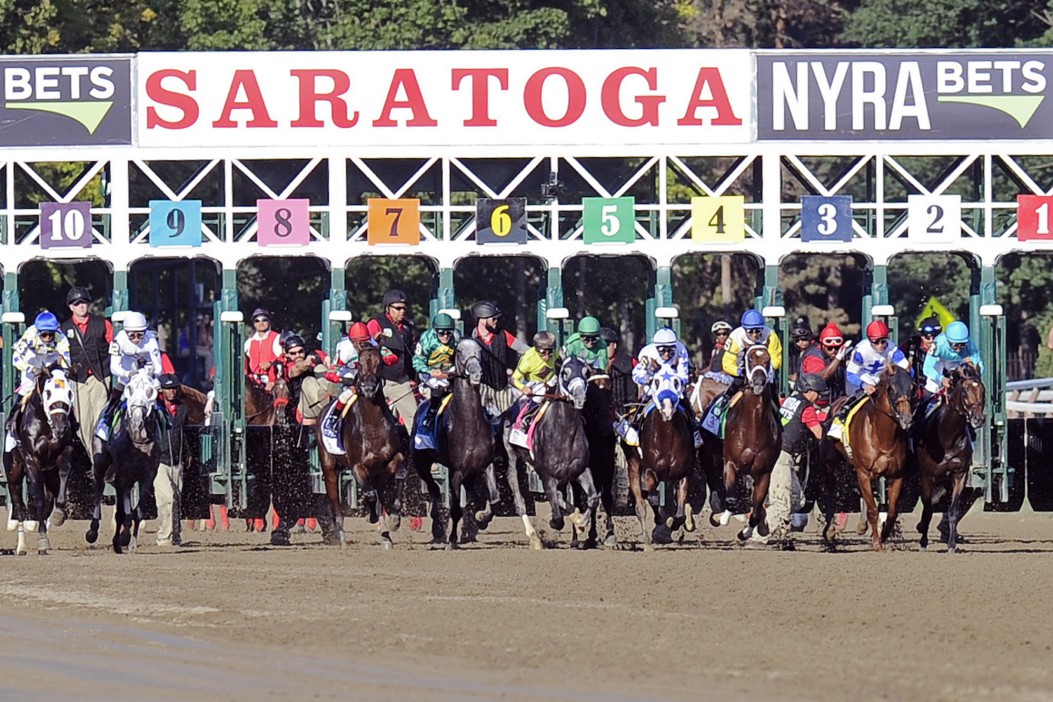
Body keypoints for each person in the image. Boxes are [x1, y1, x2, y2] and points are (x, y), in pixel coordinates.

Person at [767, 373, 829, 547]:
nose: (818, 396)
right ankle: (758, 535)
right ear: (809, 391)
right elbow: (819, 434)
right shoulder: (807, 408)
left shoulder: (790, 400)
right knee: (782, 504)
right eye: (817, 392)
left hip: (778, 453)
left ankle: (781, 534)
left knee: (797, 499)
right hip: (783, 456)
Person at [829, 319, 909, 440]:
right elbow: (851, 374)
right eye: (876, 342)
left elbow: (906, 366)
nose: (880, 345)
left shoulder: (892, 348)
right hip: (859, 379)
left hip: (879, 380)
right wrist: (864, 385)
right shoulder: (861, 351)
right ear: (870, 340)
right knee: (856, 399)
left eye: (883, 341)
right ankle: (838, 422)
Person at [6, 311, 72, 452]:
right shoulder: (30, 336)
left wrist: (64, 372)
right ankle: (11, 426)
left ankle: (72, 424)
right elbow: (16, 358)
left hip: (51, 360)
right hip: (32, 359)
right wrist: (32, 369)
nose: (48, 337)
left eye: (51, 334)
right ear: (38, 332)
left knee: (61, 389)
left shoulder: (61, 338)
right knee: (27, 389)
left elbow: (66, 361)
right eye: (44, 334)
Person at [96, 311, 164, 443]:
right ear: (126, 332)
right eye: (132, 335)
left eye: (140, 335)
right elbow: (114, 367)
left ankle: (166, 424)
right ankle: (105, 422)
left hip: (147, 377)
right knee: (116, 396)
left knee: (159, 396)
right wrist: (127, 374)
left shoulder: (150, 339)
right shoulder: (118, 340)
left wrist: (150, 373)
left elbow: (159, 366)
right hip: (127, 376)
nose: (137, 339)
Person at [60, 286, 113, 454]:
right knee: (83, 424)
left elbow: (114, 346)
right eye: (76, 303)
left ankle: (102, 458)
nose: (81, 306)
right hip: (78, 379)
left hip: (100, 376)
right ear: (71, 307)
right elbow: (60, 353)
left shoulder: (103, 323)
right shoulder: (63, 328)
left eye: (83, 302)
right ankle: (95, 458)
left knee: (100, 420)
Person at [367, 289, 418, 432]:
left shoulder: (408, 327)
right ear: (387, 308)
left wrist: (413, 377)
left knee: (414, 419)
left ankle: (417, 451)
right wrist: (375, 342)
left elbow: (411, 354)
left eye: (404, 308)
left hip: (400, 381)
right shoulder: (375, 323)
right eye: (398, 308)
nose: (402, 312)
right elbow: (365, 351)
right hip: (377, 382)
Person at [471, 300, 529, 421]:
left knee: (512, 418)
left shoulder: (503, 335)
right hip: (481, 389)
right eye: (493, 319)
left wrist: (537, 353)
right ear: (482, 319)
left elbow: (523, 349)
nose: (496, 321)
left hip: (503, 388)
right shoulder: (470, 342)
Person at [321, 322, 376, 443]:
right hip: (350, 376)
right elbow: (329, 374)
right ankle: (332, 420)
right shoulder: (345, 349)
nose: (363, 346)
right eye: (359, 343)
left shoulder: (373, 344)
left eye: (365, 342)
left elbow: (391, 357)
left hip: (367, 377)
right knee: (349, 393)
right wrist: (343, 380)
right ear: (352, 341)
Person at [155, 373, 190, 547]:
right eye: (167, 389)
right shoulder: (155, 409)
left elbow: (186, 433)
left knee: (176, 498)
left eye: (174, 388)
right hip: (159, 460)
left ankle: (176, 536)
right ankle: (164, 537)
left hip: (178, 459)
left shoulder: (183, 409)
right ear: (161, 390)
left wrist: (187, 453)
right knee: (166, 498)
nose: (171, 392)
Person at [412, 312, 459, 438]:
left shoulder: (456, 339)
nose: (445, 336)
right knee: (438, 388)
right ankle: (430, 416)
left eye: (449, 332)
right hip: (428, 372)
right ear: (435, 331)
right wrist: (430, 371)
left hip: (448, 372)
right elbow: (417, 362)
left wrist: (452, 372)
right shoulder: (426, 339)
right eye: (441, 333)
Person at [509, 330, 559, 446]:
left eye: (550, 352)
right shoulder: (528, 359)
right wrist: (524, 388)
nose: (546, 356)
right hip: (532, 385)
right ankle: (526, 420)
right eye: (542, 352)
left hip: (551, 382)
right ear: (536, 349)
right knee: (540, 389)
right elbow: (513, 379)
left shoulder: (556, 354)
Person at [922, 320, 984, 400]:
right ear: (947, 341)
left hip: (957, 362)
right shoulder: (938, 345)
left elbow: (979, 365)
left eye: (962, 345)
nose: (958, 349)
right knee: (933, 386)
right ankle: (921, 407)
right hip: (939, 360)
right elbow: (927, 368)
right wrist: (941, 379)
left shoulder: (970, 345)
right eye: (954, 345)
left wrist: (974, 378)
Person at [281, 333, 330, 426]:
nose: (298, 355)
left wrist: (327, 361)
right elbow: (295, 370)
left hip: (321, 399)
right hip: (301, 408)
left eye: (300, 351)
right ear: (287, 354)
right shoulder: (287, 366)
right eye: (293, 353)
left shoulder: (312, 354)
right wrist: (306, 363)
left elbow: (326, 358)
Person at [796, 322, 851, 399]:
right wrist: (838, 358)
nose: (833, 351)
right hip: (816, 403)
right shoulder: (813, 357)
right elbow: (820, 378)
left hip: (837, 400)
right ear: (822, 345)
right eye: (829, 348)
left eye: (837, 348)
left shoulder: (843, 355)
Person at [632, 327, 690, 399]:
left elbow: (684, 375)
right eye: (662, 350)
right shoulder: (647, 354)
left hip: (674, 389)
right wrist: (647, 380)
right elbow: (636, 374)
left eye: (670, 350)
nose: (666, 354)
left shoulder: (681, 351)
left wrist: (676, 381)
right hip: (653, 389)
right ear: (656, 348)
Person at [244, 308, 282, 391]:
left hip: (273, 381)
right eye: (257, 321)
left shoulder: (277, 338)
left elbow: (282, 358)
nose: (260, 323)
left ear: (269, 322)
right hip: (253, 381)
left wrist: (270, 363)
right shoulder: (249, 342)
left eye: (264, 320)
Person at [601, 327, 636, 411]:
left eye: (606, 344)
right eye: (599, 345)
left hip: (628, 412)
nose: (603, 348)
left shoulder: (630, 362)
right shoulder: (592, 365)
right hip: (602, 414)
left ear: (615, 345)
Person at [903, 316, 941, 390]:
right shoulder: (911, 345)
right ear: (921, 336)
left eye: (935, 336)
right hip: (915, 390)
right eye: (928, 337)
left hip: (939, 389)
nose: (931, 340)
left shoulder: (944, 347)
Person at [787, 317, 814, 385]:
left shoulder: (815, 352)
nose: (800, 342)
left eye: (804, 339)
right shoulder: (793, 351)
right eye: (797, 340)